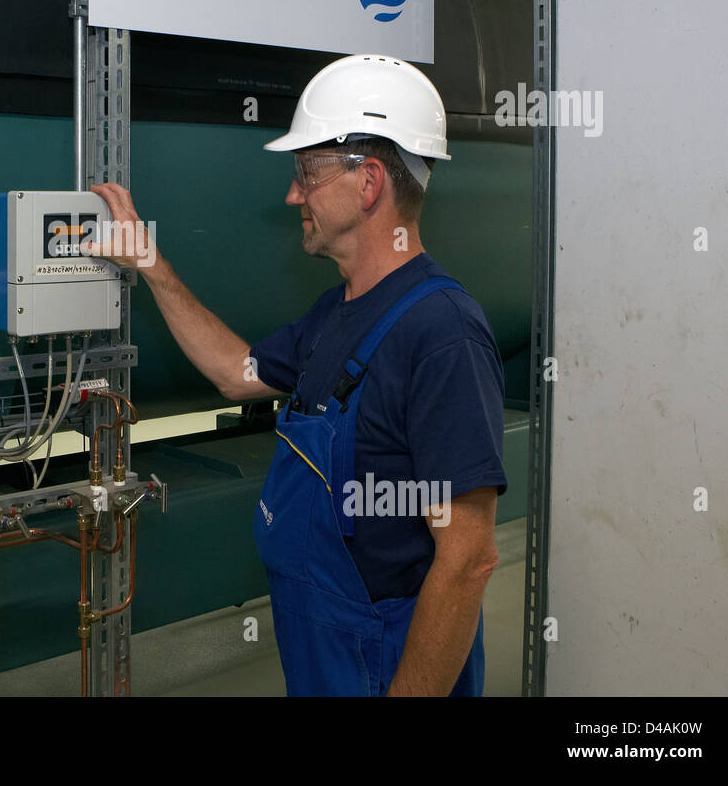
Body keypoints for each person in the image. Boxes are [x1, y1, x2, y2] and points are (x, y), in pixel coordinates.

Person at [85, 53, 508, 696]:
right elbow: (237, 372)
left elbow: (468, 558)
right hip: (319, 646)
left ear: (367, 183)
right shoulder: (335, 312)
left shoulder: (443, 333)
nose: (292, 195)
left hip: (387, 655)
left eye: (305, 172)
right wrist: (153, 266)